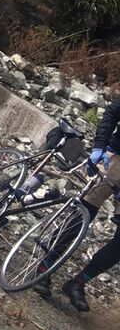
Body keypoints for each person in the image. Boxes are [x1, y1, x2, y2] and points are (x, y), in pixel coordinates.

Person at [60, 100, 120, 312]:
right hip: (116, 159)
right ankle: (43, 267)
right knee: (83, 213)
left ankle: (78, 283)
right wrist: (100, 146)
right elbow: (113, 111)